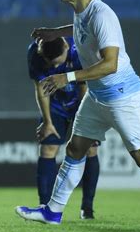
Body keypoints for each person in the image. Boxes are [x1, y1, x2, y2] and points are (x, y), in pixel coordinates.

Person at [15, 0, 140, 225]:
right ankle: (53, 212)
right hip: (97, 96)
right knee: (75, 148)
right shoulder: (82, 11)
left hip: (122, 95)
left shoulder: (102, 15)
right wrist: (53, 32)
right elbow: (80, 31)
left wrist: (66, 77)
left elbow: (110, 64)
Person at [28, 37, 99, 219]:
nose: (53, 67)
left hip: (83, 102)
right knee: (48, 148)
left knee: (90, 150)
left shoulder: (79, 50)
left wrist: (83, 118)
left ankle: (87, 208)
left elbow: (84, 86)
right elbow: (41, 88)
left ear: (66, 47)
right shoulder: (35, 53)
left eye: (57, 63)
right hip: (56, 105)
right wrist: (47, 122)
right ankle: (44, 205)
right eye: (48, 63)